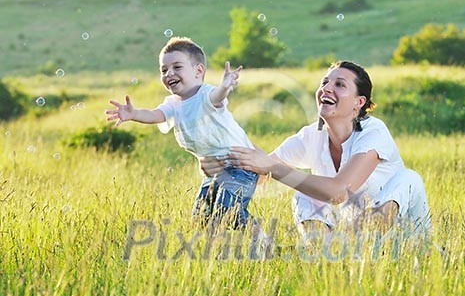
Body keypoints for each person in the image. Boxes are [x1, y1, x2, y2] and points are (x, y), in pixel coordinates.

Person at [200, 60, 431, 242]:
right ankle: (324, 255)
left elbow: (338, 192)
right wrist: (221, 159)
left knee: (408, 179)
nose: (327, 89)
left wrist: (272, 167)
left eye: (339, 85)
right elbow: (261, 169)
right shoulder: (311, 135)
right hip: (352, 244)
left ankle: (366, 245)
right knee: (305, 194)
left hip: (403, 238)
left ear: (359, 102)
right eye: (324, 83)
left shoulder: (373, 131)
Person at [105, 36, 261, 233]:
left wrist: (225, 86)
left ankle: (261, 240)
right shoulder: (173, 103)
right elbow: (156, 115)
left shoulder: (206, 95)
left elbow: (217, 97)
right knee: (201, 217)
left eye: (177, 67)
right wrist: (134, 114)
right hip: (215, 170)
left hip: (240, 166)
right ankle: (218, 252)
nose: (169, 73)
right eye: (164, 70)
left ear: (198, 71)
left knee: (226, 210)